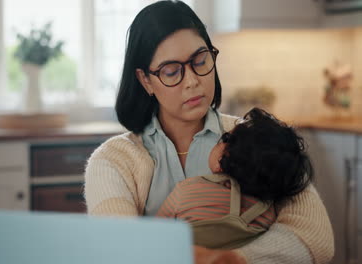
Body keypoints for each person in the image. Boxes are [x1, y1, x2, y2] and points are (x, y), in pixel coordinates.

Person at [84, 1, 334, 263]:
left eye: (200, 60)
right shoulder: (113, 161)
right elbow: (117, 247)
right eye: (172, 72)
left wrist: (231, 259)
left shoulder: (254, 137)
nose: (193, 81)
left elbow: (314, 237)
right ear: (146, 80)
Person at [156, 107, 314, 250]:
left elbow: (155, 235)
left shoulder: (186, 191)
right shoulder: (269, 213)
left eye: (225, 138)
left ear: (221, 161)